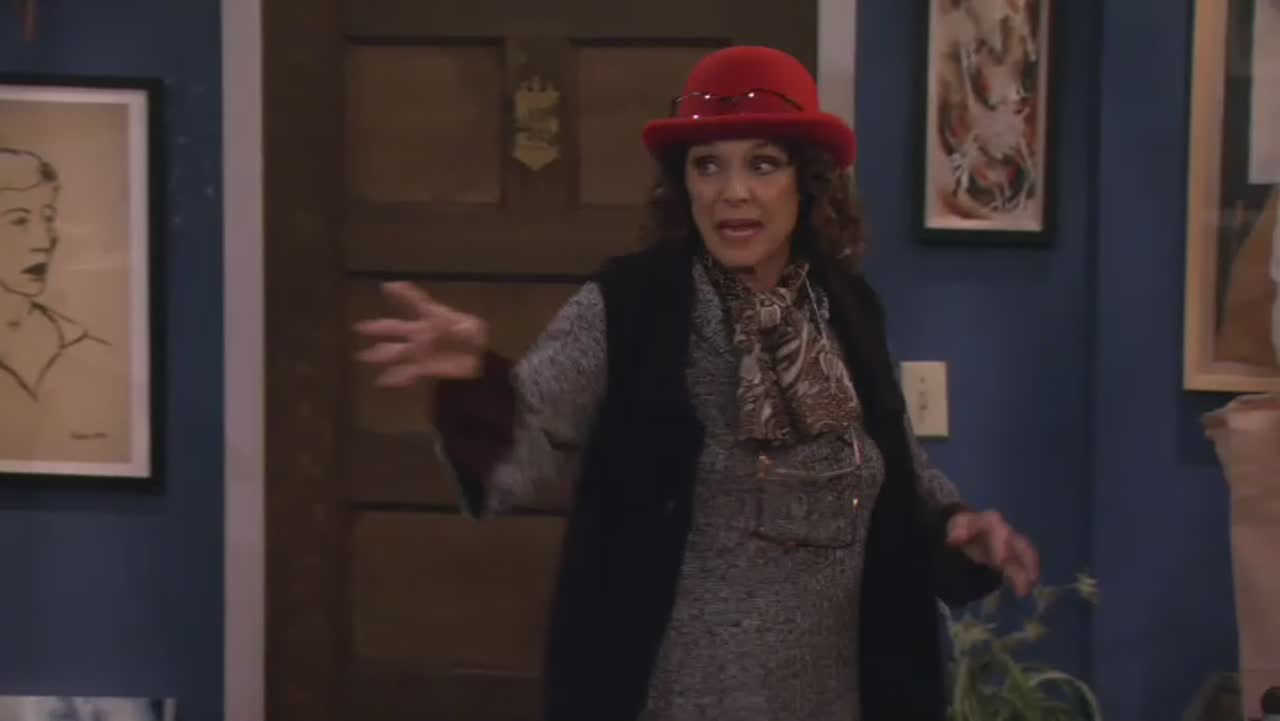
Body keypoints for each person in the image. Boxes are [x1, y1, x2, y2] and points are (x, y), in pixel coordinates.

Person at [354, 45, 1041, 721]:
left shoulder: (849, 310)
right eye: (708, 165)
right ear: (684, 185)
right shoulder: (631, 306)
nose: (732, 191)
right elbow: (524, 453)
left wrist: (957, 527)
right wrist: (475, 382)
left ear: (806, 182)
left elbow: (898, 474)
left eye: (762, 164)